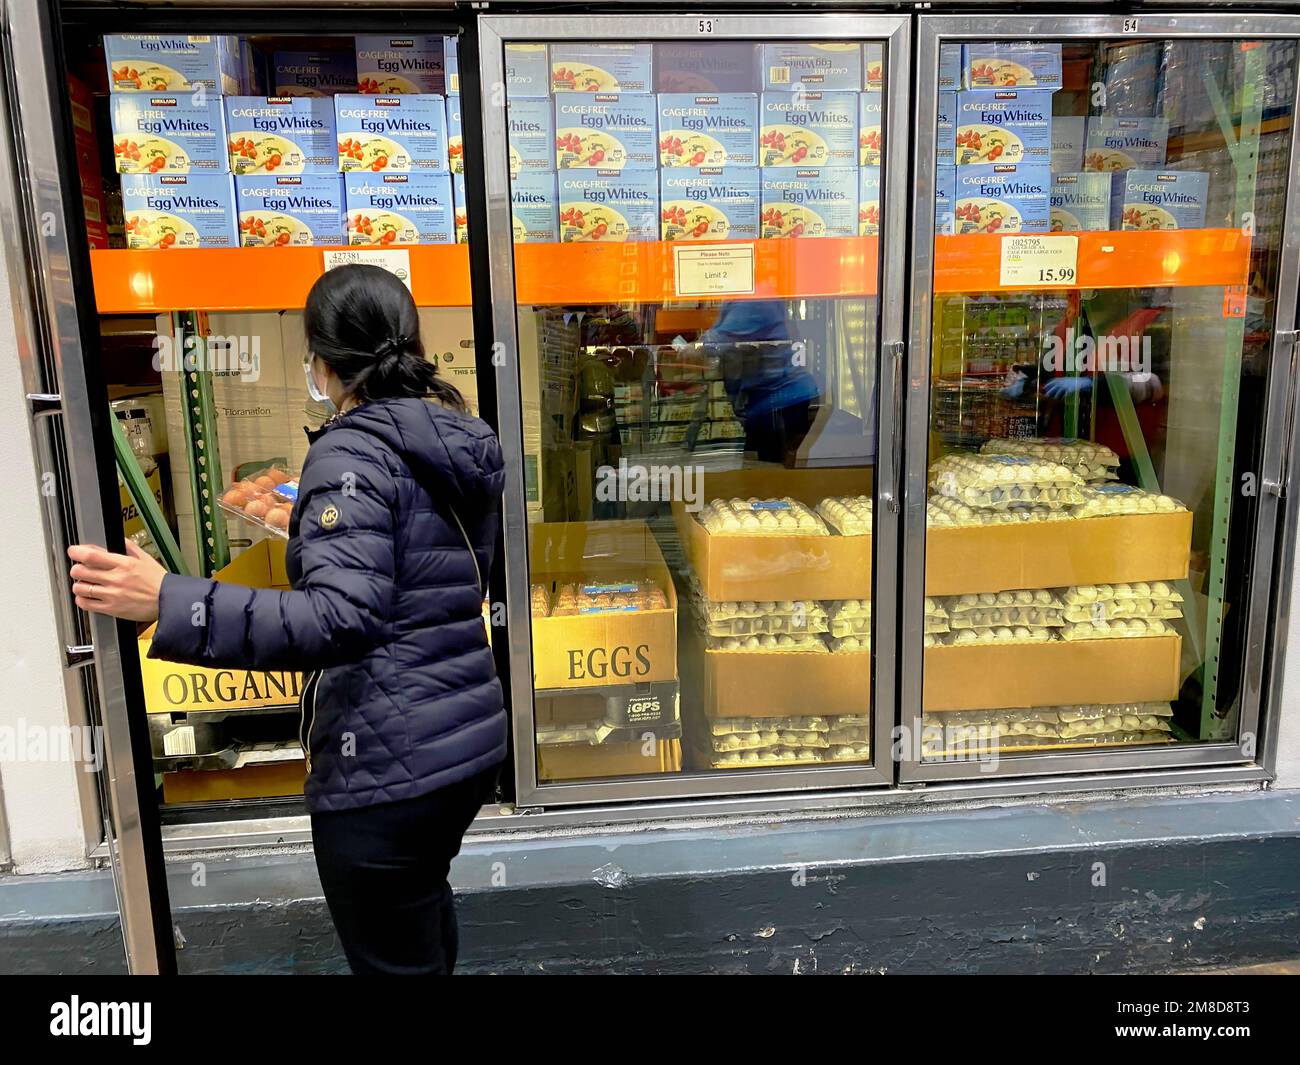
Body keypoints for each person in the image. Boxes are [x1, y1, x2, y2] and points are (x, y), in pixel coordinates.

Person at [67, 263, 507, 975]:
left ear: (324, 362)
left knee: (396, 957)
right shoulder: (456, 436)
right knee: (420, 928)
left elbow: (340, 619)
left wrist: (169, 599)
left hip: (388, 771)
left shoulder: (351, 450)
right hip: (464, 743)